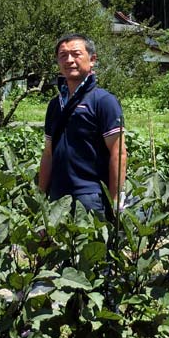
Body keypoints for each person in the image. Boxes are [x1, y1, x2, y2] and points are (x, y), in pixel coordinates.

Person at [37, 34, 126, 218]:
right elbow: (48, 153)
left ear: (92, 60)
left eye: (76, 54)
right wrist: (40, 196)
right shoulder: (55, 105)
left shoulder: (103, 101)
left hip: (91, 196)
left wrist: (115, 199)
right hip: (58, 196)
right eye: (63, 55)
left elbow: (118, 153)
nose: (69, 60)